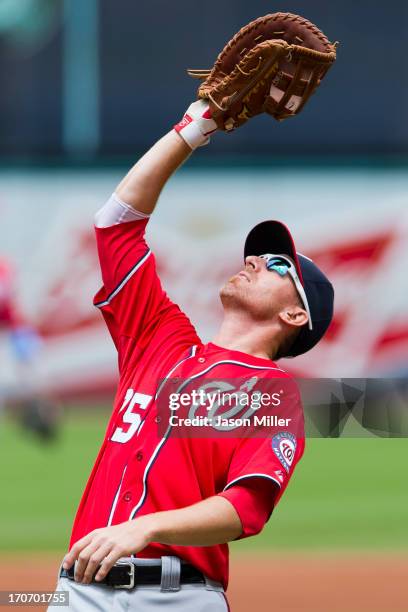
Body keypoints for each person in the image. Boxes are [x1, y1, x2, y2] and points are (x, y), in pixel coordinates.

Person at [51, 100, 334, 611]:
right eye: (257, 253)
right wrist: (195, 126)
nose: (252, 260)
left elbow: (246, 508)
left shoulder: (272, 392)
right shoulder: (159, 336)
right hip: (80, 590)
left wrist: (146, 528)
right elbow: (116, 223)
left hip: (177, 597)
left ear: (296, 316)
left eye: (276, 265)